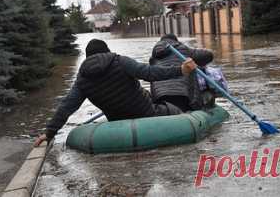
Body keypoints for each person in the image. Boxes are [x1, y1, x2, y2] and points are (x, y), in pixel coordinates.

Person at [34, 39, 197, 147]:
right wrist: (180, 69)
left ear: (88, 57)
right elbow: (151, 73)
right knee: (174, 110)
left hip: (117, 122)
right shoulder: (120, 61)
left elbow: (67, 106)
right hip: (147, 113)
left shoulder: (82, 79)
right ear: (106, 51)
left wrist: (49, 133)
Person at [149, 34, 214, 112]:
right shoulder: (184, 49)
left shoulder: (153, 58)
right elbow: (208, 55)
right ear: (176, 41)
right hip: (183, 96)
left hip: (159, 97)